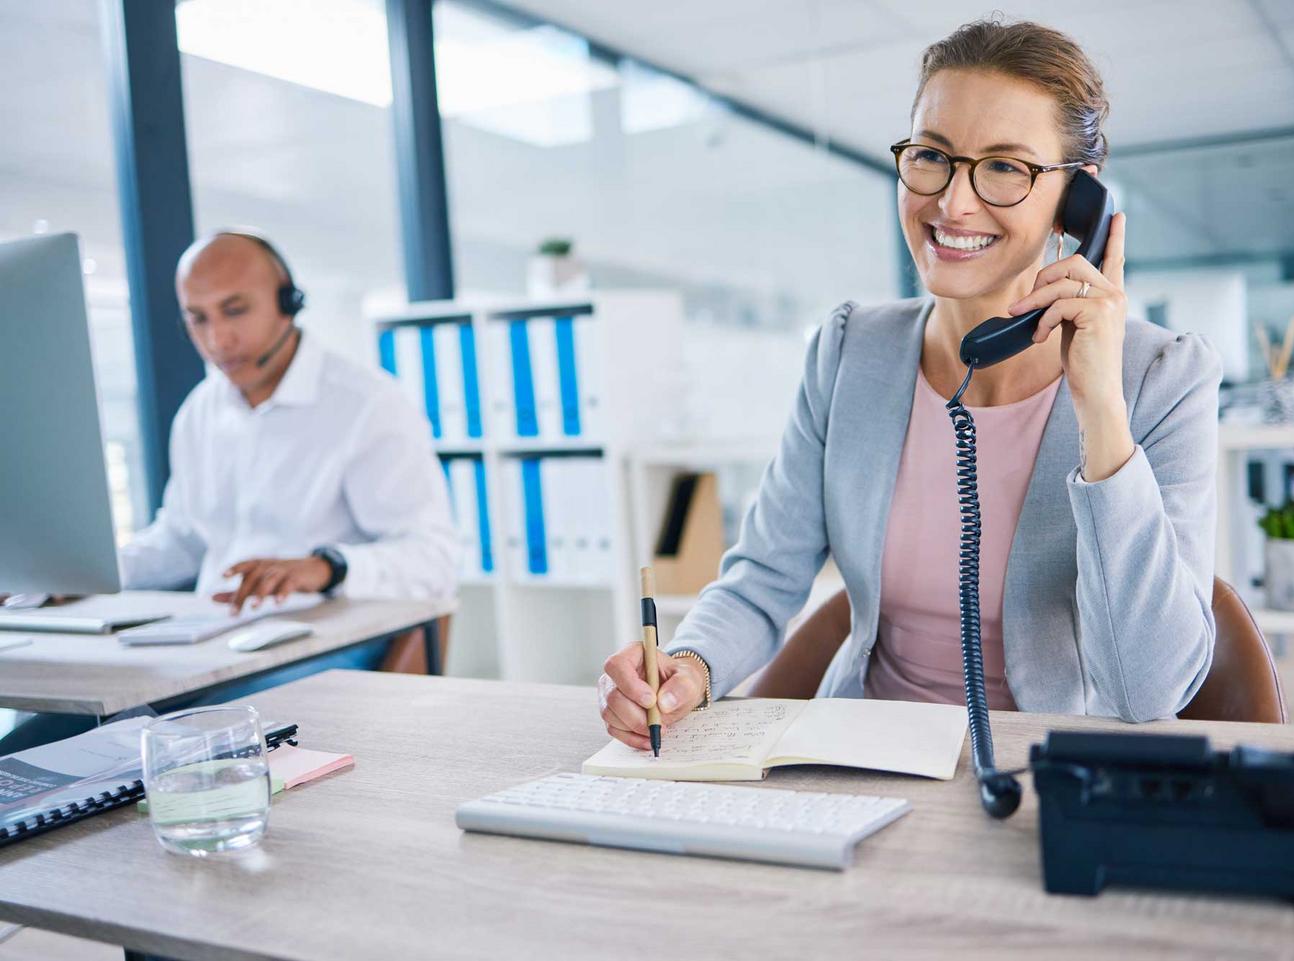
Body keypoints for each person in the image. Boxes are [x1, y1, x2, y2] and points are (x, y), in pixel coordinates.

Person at [598, 18, 1222, 750]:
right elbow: (764, 575)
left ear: (1076, 206)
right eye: (933, 156)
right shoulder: (848, 348)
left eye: (1004, 167)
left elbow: (1147, 689)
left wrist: (1101, 413)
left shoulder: (1161, 376)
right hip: (855, 755)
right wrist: (687, 666)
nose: (953, 203)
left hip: (1040, 771)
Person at [121, 230, 458, 611]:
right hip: (218, 631)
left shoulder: (367, 404)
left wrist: (328, 567)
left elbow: (434, 559)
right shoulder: (200, 411)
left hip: (327, 633)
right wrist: (94, 575)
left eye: (235, 311)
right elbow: (184, 540)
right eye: (198, 319)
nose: (217, 340)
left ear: (288, 301)